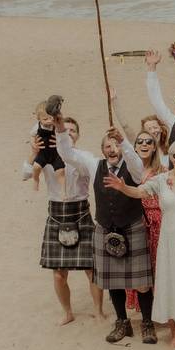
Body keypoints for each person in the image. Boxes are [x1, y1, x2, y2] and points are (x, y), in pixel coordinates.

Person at [105, 138, 175, 349]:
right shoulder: (161, 180)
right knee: (171, 282)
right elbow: (139, 192)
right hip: (169, 241)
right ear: (171, 158)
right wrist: (122, 187)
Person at [55, 112, 156, 345]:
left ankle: (147, 323)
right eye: (107, 146)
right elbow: (68, 154)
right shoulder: (94, 165)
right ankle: (122, 322)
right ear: (101, 150)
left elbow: (139, 170)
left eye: (114, 145)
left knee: (141, 283)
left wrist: (123, 141)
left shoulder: (132, 165)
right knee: (112, 281)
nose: (111, 149)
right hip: (105, 228)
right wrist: (61, 129)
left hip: (131, 226)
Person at [24, 115, 104, 324]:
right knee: (59, 273)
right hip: (56, 213)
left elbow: (98, 173)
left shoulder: (83, 156)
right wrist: (34, 151)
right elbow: (25, 173)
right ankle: (67, 312)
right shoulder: (47, 154)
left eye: (72, 131)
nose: (68, 133)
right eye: (64, 130)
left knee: (92, 268)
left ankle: (98, 310)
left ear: (78, 135)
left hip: (81, 211)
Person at [124, 129, 165, 312]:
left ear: (155, 147)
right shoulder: (128, 170)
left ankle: (160, 305)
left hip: (157, 222)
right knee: (139, 267)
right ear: (134, 147)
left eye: (149, 142)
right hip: (135, 222)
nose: (144, 145)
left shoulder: (162, 171)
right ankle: (143, 307)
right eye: (140, 142)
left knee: (158, 265)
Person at [29, 100, 65, 191]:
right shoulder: (37, 127)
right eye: (45, 119)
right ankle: (36, 180)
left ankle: (64, 189)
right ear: (39, 119)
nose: (49, 121)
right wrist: (33, 144)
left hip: (54, 154)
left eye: (51, 118)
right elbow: (32, 136)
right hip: (43, 153)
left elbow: (61, 136)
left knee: (60, 171)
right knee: (36, 167)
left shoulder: (55, 126)